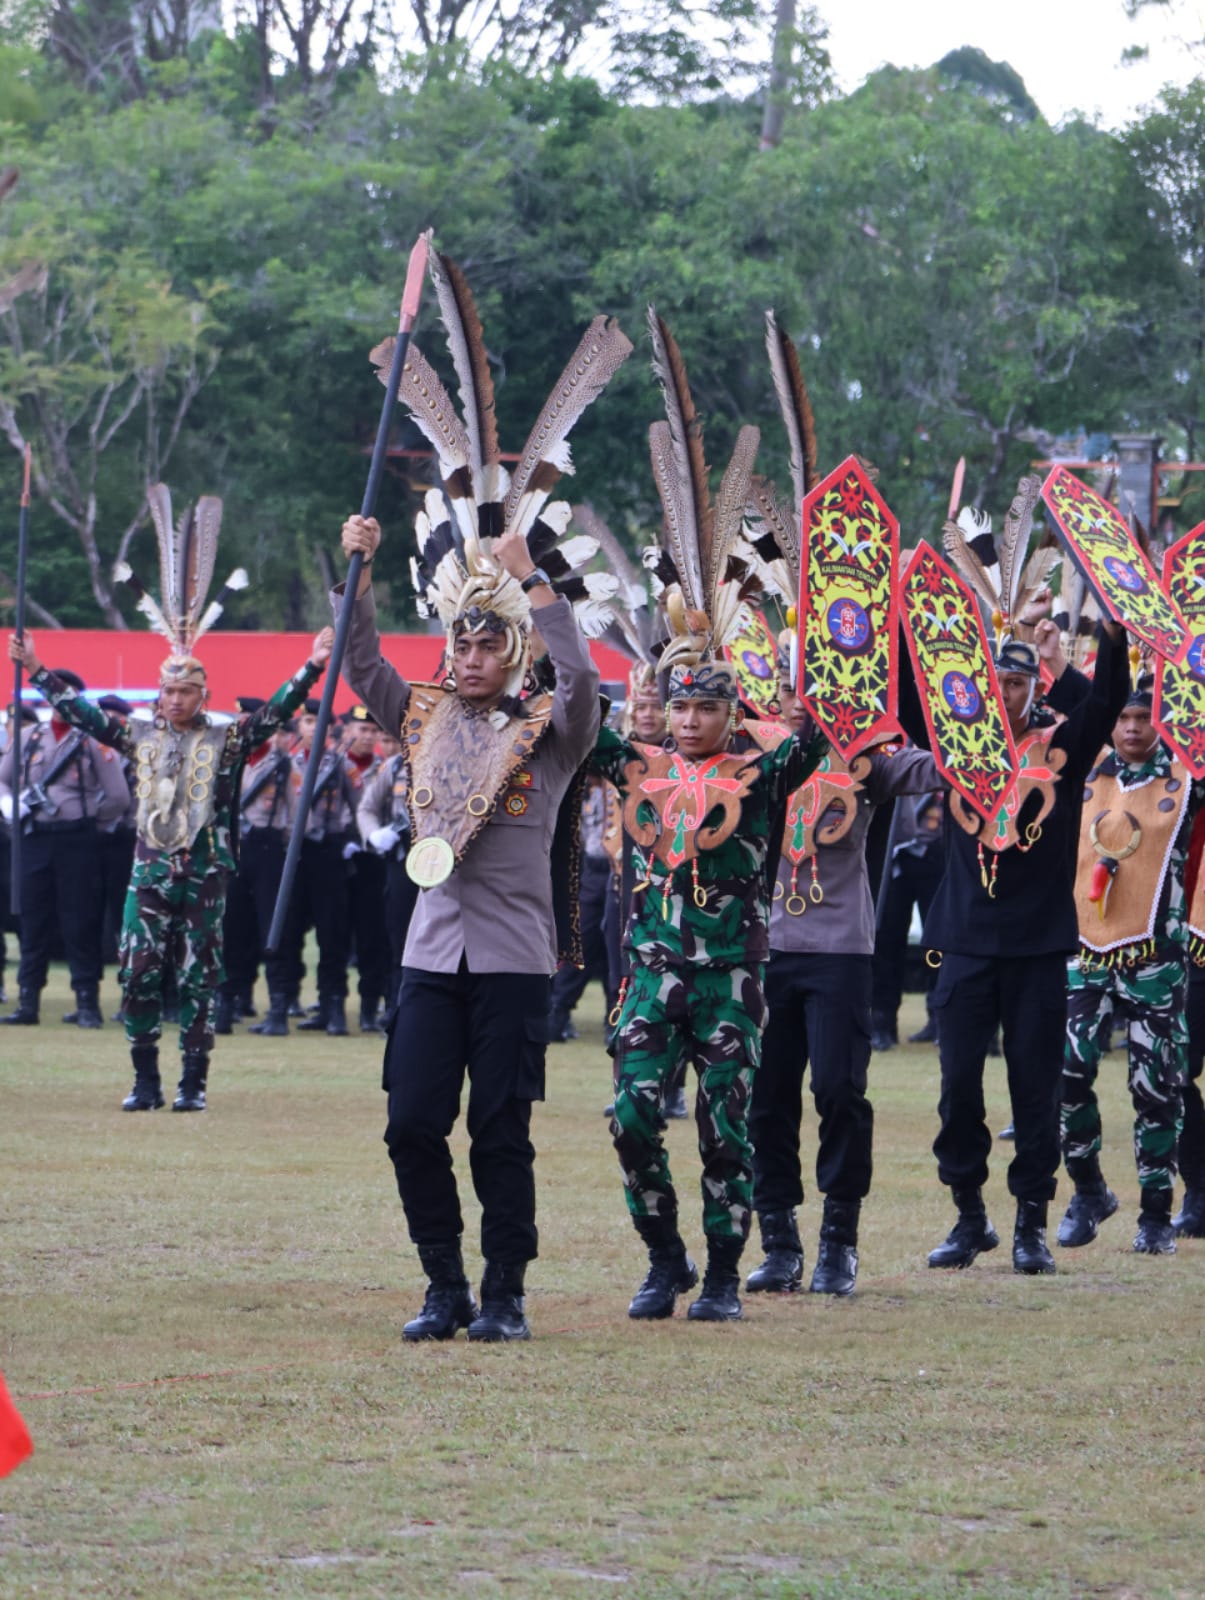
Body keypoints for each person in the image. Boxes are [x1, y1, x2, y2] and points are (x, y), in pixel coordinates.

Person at [337, 253, 628, 1341]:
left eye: (484, 639)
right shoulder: (418, 716)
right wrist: (354, 569)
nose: (464, 653)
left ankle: (504, 1290)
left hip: (511, 956)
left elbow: (586, 691)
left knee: (499, 1130)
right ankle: (441, 1283)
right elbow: (358, 668)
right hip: (429, 950)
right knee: (411, 1123)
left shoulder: (540, 734)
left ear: (507, 653)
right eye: (456, 638)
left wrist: (539, 584)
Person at [590, 309, 826, 1324]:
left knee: (726, 1131)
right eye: (678, 703)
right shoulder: (632, 764)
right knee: (631, 1118)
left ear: (731, 709)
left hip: (730, 977)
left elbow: (816, 733)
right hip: (649, 974)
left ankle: (725, 1271)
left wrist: (805, 645)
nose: (690, 719)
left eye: (707, 705)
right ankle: (663, 1255)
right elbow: (567, 723)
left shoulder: (765, 770)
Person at [7, 485, 333, 1112]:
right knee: (136, 973)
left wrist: (311, 667)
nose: (172, 700)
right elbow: (81, 716)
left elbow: (275, 714)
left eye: (184, 692)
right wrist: (40, 670)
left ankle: (193, 1083)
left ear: (200, 692)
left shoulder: (227, 738)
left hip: (206, 871)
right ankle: (145, 1078)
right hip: (149, 869)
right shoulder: (138, 736)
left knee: (199, 978)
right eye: (166, 692)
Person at [908, 618, 1128, 1273]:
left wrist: (1111, 633)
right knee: (956, 1094)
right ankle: (968, 1219)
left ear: (1035, 685)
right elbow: (901, 692)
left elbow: (1109, 700)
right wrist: (893, 611)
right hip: (964, 944)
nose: (1002, 692)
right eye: (992, 681)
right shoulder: (952, 742)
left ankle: (1030, 1224)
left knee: (1033, 1093)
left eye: (1014, 681)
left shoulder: (1061, 742)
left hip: (1036, 947)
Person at [745, 643, 940, 1298]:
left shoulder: (861, 759)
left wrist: (958, 720)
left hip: (840, 948)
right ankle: (777, 1241)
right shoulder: (750, 754)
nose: (797, 699)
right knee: (766, 1096)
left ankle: (838, 1241)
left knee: (837, 1090)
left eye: (811, 687)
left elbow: (929, 769)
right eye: (786, 685)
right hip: (764, 946)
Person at [1058, 680, 1197, 1254]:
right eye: (1124, 717)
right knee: (1066, 1073)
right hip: (1085, 951)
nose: (1133, 727)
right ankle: (1088, 1189)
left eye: (1144, 717)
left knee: (1155, 1088)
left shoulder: (1189, 774)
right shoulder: (1083, 769)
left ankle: (1157, 1213)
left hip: (1155, 958)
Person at [0, 669, 131, 1028]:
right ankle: (28, 1001)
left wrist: (91, 821)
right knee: (33, 918)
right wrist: (11, 807)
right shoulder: (28, 737)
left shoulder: (93, 740)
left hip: (78, 840)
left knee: (81, 920)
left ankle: (87, 1002)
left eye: (67, 696)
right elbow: (3, 779)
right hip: (35, 837)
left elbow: (119, 797)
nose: (59, 703)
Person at [216, 709, 297, 1037]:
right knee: (230, 927)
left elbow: (292, 815)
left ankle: (278, 1007)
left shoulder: (280, 765)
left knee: (273, 929)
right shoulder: (227, 761)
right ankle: (226, 1003)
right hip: (233, 849)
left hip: (267, 849)